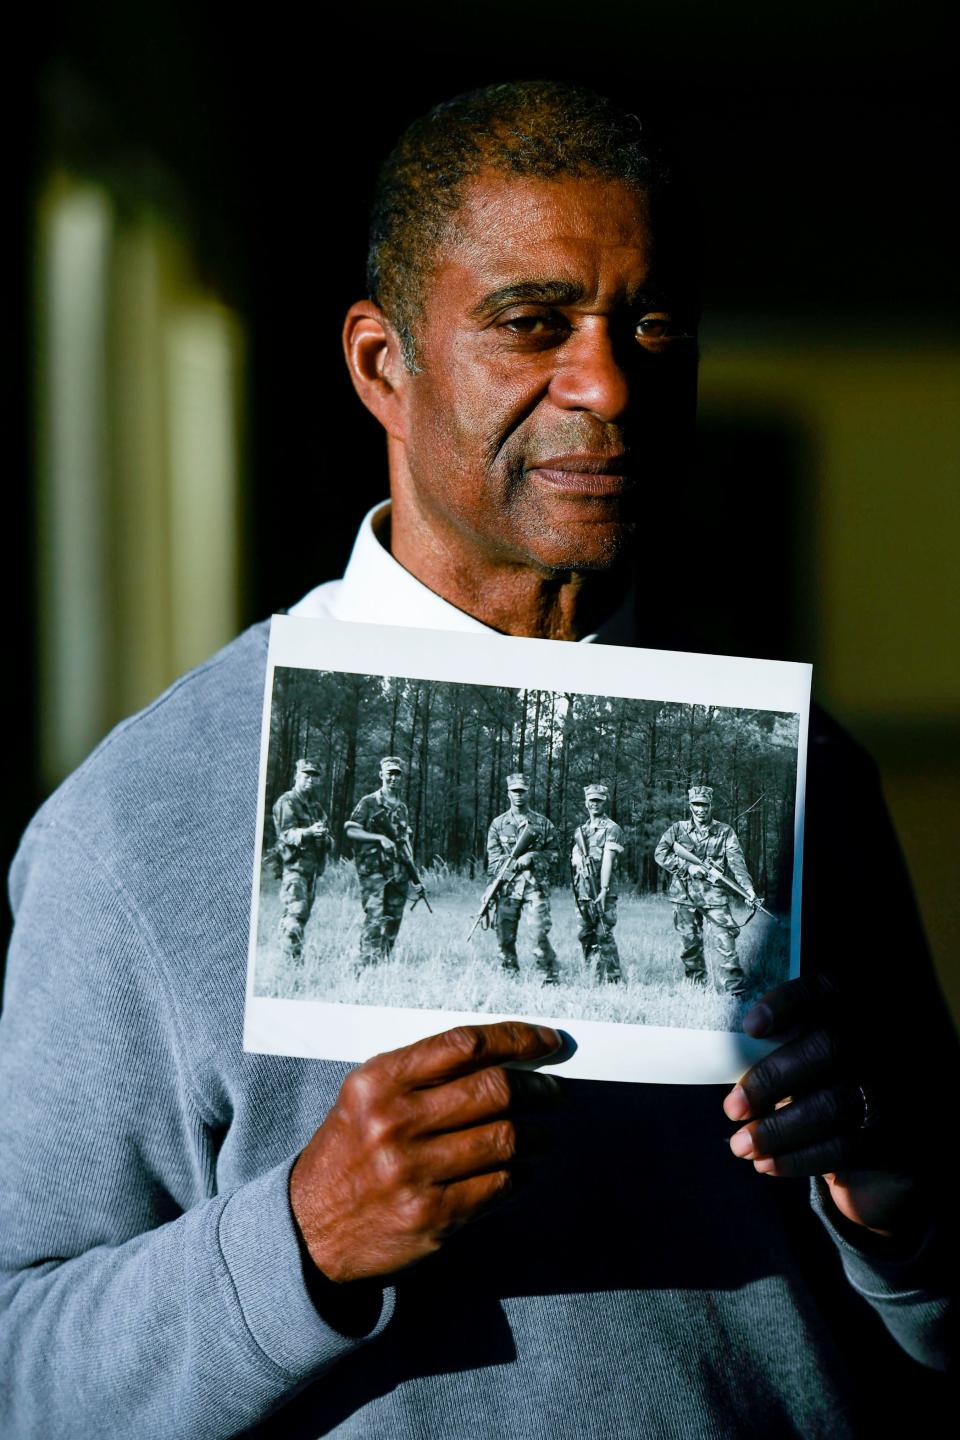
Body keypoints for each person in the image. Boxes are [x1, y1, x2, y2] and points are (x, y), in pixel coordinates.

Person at [0, 81, 954, 1439]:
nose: (607, 381)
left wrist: (902, 1215)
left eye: (652, 324)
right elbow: (20, 1368)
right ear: (382, 365)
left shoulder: (810, 780)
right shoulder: (144, 815)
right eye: (531, 323)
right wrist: (301, 1240)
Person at [653, 784, 759, 994]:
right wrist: (687, 867)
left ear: (711, 806)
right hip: (683, 897)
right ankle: (696, 987)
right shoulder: (678, 829)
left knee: (726, 943)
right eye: (696, 805)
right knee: (690, 945)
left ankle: (735, 991)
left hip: (714, 897)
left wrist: (748, 890)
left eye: (704, 805)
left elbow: (737, 863)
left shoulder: (725, 831)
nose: (700, 809)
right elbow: (660, 853)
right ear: (690, 805)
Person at [486, 772, 560, 982]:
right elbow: (492, 861)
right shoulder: (498, 824)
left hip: (535, 889)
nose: (518, 795)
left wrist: (533, 856)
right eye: (514, 791)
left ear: (528, 792)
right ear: (508, 793)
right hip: (507, 888)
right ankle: (509, 975)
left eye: (522, 791)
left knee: (538, 933)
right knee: (504, 936)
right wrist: (491, 888)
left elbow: (555, 855)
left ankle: (549, 976)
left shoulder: (543, 824)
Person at [344, 755, 418, 965]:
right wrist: (379, 838)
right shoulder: (369, 802)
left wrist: (414, 875)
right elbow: (350, 830)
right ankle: (365, 963)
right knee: (375, 917)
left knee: (394, 918)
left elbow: (405, 841)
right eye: (390, 774)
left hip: (398, 872)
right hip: (374, 871)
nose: (394, 778)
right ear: (381, 775)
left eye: (397, 774)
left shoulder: (402, 808)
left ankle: (383, 961)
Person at [271, 757, 331, 963]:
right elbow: (286, 834)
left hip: (311, 870)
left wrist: (325, 837)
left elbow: (325, 833)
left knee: (301, 916)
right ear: (297, 776)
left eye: (314, 777)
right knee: (296, 913)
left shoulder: (315, 807)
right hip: (294, 868)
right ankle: (291, 963)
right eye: (307, 776)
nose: (310, 780)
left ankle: (286, 954)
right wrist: (308, 832)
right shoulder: (287, 801)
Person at [571, 781, 624, 983]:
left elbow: (608, 860)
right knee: (585, 934)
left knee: (604, 933)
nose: (594, 804)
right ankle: (591, 974)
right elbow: (575, 861)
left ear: (604, 803)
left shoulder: (612, 829)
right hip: (582, 891)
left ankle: (614, 979)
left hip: (604, 891)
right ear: (586, 802)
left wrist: (603, 889)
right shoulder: (581, 831)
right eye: (591, 800)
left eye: (598, 801)